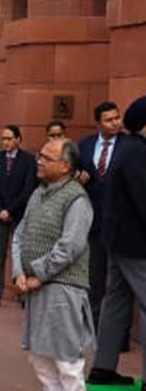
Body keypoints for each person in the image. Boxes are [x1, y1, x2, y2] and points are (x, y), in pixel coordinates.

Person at [14, 137, 94, 391]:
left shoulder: (77, 200)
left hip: (63, 289)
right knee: (39, 354)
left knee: (66, 359)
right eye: (40, 155)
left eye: (47, 157)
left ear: (66, 166)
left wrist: (39, 275)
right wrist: (20, 273)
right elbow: (20, 233)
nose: (40, 161)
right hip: (33, 286)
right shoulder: (39, 194)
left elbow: (70, 247)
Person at [88, 95, 146, 391]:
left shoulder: (127, 149)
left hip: (119, 240)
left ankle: (103, 367)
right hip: (134, 243)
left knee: (116, 301)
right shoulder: (136, 152)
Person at [78, 100, 126, 331]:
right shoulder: (85, 145)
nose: (115, 123)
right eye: (109, 119)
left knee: (120, 281)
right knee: (96, 277)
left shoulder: (130, 145)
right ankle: (95, 326)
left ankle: (120, 334)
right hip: (94, 222)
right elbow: (71, 170)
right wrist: (79, 176)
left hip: (122, 224)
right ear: (98, 123)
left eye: (117, 118)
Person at [0, 125, 37, 308]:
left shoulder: (29, 161)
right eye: (3, 139)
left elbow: (28, 188)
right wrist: (0, 209)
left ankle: (22, 294)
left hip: (20, 213)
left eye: (9, 138)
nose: (5, 142)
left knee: (21, 255)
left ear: (18, 140)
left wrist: (11, 210)